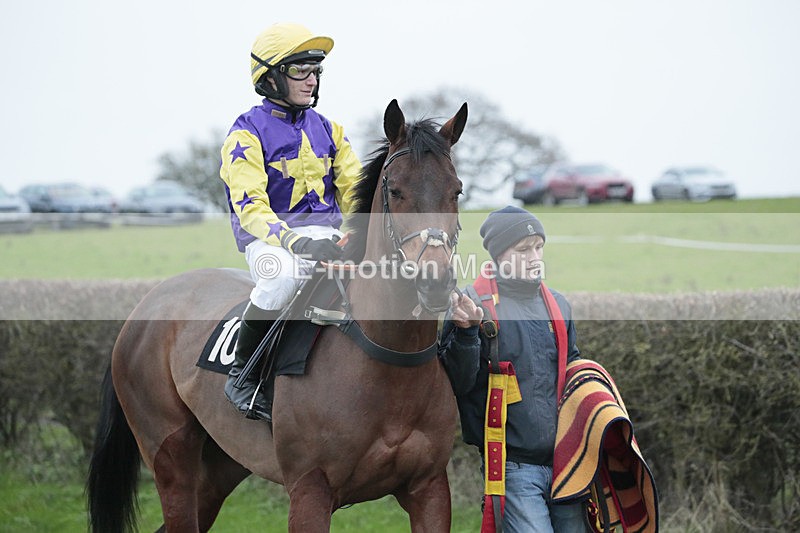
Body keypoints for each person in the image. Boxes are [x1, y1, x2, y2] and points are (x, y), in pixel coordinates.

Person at [219, 22, 362, 420]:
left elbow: (355, 194)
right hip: (271, 242)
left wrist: (357, 234)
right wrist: (295, 243)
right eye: (300, 70)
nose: (311, 80)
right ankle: (242, 375)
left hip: (329, 237)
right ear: (271, 77)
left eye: (315, 71)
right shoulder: (246, 132)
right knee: (283, 279)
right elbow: (250, 206)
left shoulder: (332, 131)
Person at [439, 206, 586, 532]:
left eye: (538, 246)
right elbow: (458, 384)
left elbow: (574, 374)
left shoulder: (559, 305)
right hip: (513, 468)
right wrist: (466, 334)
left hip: (567, 465)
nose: (535, 256)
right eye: (523, 249)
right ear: (498, 255)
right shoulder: (469, 304)